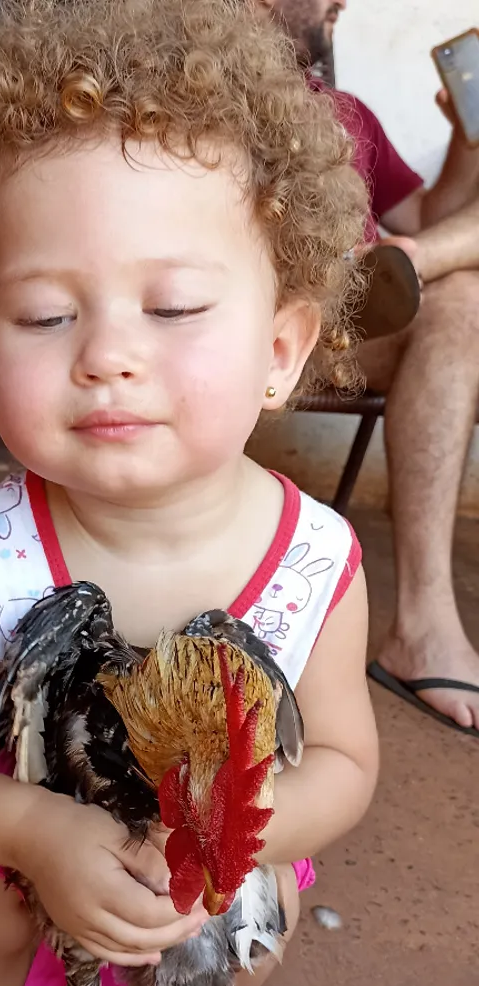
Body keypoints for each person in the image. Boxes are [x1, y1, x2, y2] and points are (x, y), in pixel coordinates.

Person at [0, 2, 379, 986]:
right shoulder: (0, 548)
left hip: (212, 864)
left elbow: (342, 764)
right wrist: (31, 831)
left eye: (175, 305)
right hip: (15, 845)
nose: (106, 354)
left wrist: (236, 830)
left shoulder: (316, 561)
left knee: (252, 921)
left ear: (281, 350)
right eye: (43, 314)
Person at [257, 0, 479, 736]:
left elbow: (427, 211)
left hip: (364, 323)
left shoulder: (349, 112)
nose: (341, 3)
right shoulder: (207, 96)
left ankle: (423, 628)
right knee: (460, 290)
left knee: (459, 300)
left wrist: (467, 137)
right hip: (272, 320)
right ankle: (423, 631)